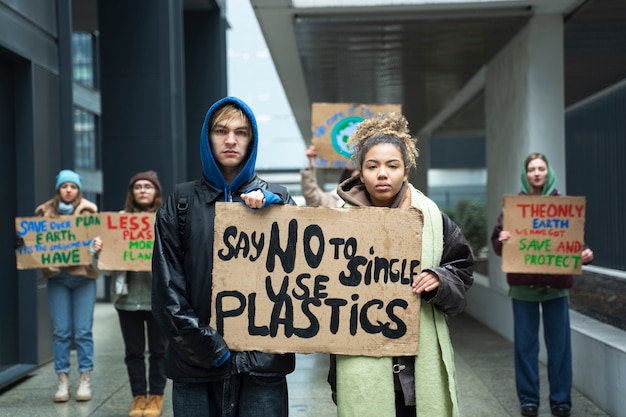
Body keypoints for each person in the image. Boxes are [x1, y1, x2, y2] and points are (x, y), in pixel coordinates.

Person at [151, 96, 297, 417]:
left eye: (241, 132)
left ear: (251, 140)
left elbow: (303, 276)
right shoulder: (181, 201)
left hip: (262, 364)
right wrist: (209, 346)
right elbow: (166, 289)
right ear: (207, 137)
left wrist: (280, 209)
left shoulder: (279, 198)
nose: (231, 140)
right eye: (221, 131)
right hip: (196, 363)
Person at [329, 112, 474, 416]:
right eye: (373, 166)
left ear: (406, 172)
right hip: (360, 361)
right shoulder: (335, 222)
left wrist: (439, 279)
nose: (383, 174)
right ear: (360, 172)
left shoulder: (432, 218)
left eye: (392, 166)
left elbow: (462, 270)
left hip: (415, 373)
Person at [491, 153, 594, 417]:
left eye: (541, 168)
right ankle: (529, 401)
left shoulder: (563, 206)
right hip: (523, 288)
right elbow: (498, 243)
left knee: (559, 348)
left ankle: (561, 401)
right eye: (532, 169)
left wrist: (584, 254)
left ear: (548, 172)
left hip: (557, 287)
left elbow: (574, 241)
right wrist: (502, 239)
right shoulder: (514, 208)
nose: (536, 173)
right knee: (526, 348)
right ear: (526, 174)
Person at [100, 171, 168, 417]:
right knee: (133, 352)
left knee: (159, 351)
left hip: (157, 298)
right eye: (137, 186)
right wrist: (99, 250)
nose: (142, 190)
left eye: (147, 187)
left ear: (155, 192)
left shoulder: (165, 218)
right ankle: (138, 397)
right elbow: (105, 265)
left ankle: (157, 397)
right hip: (126, 299)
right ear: (132, 192)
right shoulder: (118, 221)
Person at [34, 169, 102, 403]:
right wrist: (24, 244)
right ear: (58, 189)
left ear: (78, 189)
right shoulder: (43, 212)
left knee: (83, 332)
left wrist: (98, 244)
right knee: (61, 331)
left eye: (73, 186)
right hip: (57, 278)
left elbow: (101, 238)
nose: (69, 190)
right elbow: (35, 241)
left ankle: (85, 378)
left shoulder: (91, 210)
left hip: (84, 277)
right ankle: (62, 380)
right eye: (64, 186)